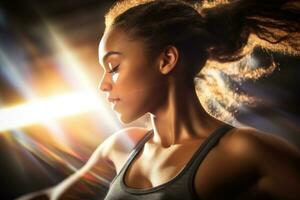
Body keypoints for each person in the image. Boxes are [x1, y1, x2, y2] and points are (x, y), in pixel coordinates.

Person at [17, 0, 300, 199]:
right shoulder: (120, 148)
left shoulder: (243, 151)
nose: (103, 84)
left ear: (166, 60)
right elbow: (52, 197)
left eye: (114, 68)